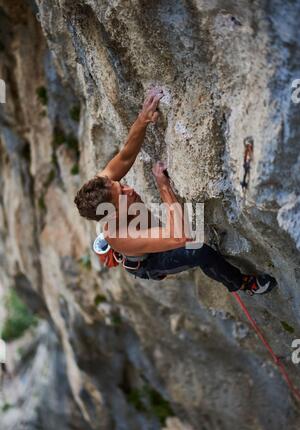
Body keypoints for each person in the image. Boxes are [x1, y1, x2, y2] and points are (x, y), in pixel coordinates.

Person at [74, 89, 277, 296]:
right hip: (152, 261)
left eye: (121, 184)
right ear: (114, 213)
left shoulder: (105, 185)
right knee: (198, 248)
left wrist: (143, 119)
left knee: (184, 223)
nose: (129, 188)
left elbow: (126, 156)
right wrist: (164, 186)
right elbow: (181, 237)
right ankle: (242, 284)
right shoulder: (120, 236)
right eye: (123, 194)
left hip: (145, 230)